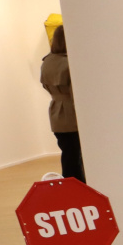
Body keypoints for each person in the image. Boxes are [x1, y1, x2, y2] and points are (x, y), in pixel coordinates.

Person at [40, 26, 83, 182]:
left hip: (56, 113)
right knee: (78, 158)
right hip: (72, 114)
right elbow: (77, 94)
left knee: (68, 153)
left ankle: (70, 188)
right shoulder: (69, 63)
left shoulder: (47, 62)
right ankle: (78, 190)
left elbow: (45, 86)